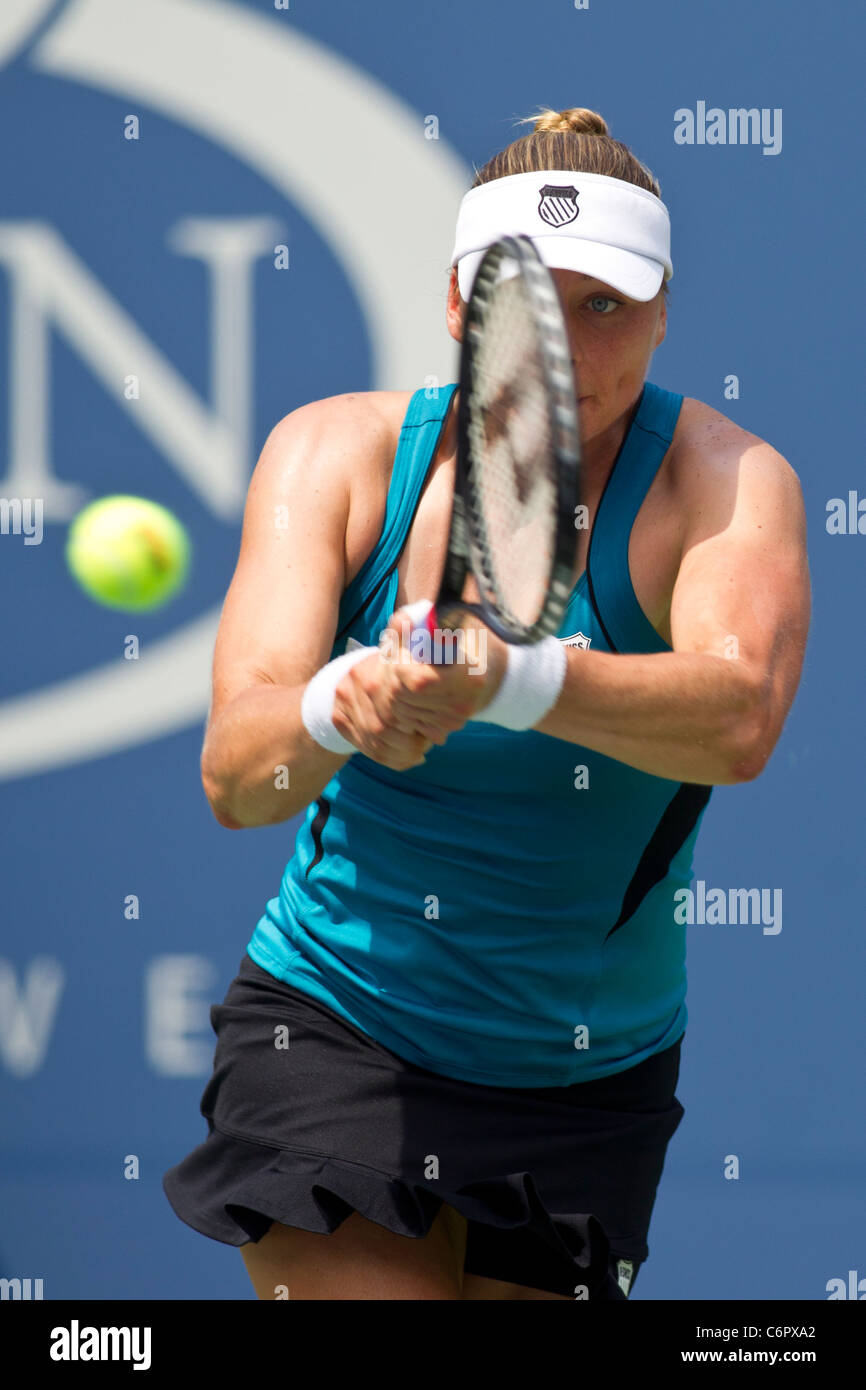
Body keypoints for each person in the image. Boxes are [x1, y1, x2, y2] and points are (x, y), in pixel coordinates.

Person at [163, 106, 810, 1301]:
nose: (563, 348)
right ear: (459, 306)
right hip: (335, 1027)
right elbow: (233, 773)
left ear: (664, 310)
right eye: (527, 305)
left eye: (604, 304)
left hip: (586, 1077)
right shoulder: (334, 456)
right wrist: (341, 703)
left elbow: (737, 718)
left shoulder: (726, 485)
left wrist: (507, 676)